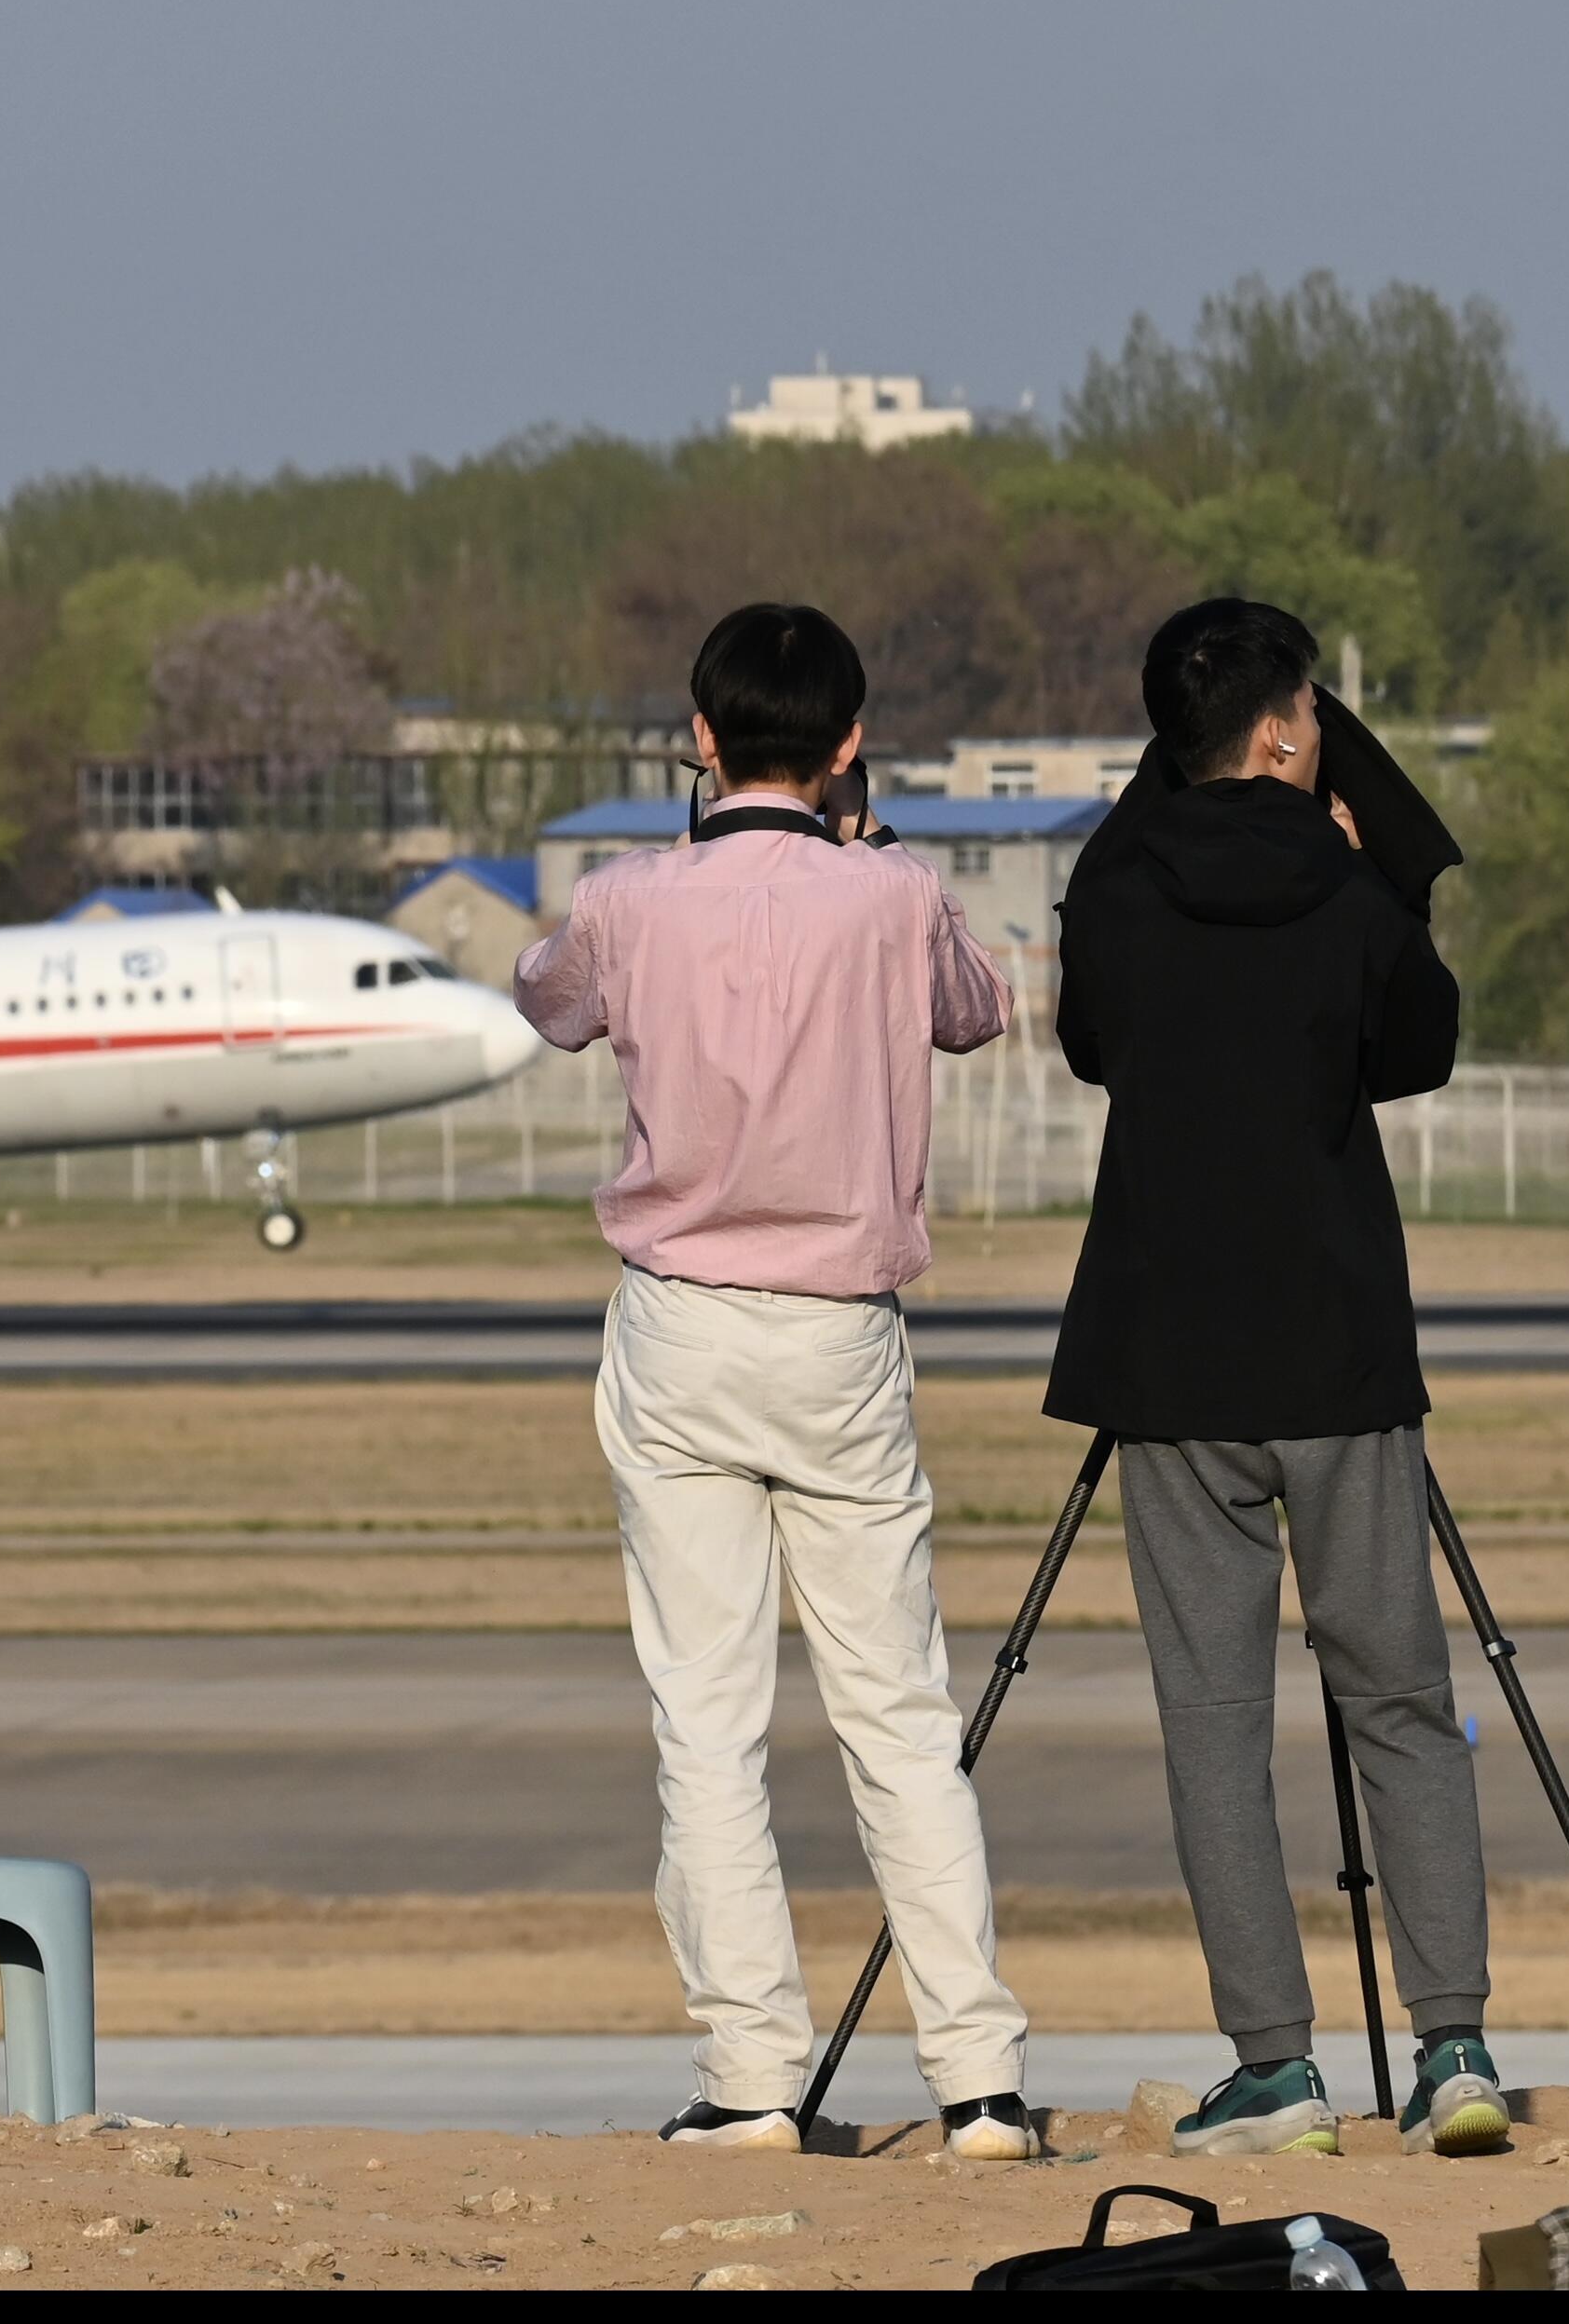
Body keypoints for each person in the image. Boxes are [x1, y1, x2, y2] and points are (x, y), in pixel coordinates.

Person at [512, 601, 1035, 2160]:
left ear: (699, 737)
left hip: (680, 1321)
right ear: (852, 748)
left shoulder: (625, 897)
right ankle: (980, 2082)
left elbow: (548, 1005)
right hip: (840, 1334)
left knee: (707, 1716)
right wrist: (865, 857)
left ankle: (751, 2078)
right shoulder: (895, 892)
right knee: (899, 1713)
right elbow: (979, 1011)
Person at [1047, 596, 1496, 2159]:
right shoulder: (1354, 894)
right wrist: (1376, 875)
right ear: (1290, 731)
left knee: (1213, 1717)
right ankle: (1455, 2054)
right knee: (1403, 1702)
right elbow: (1421, 1049)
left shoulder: (1115, 888)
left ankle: (1278, 2070)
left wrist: (1186, 783)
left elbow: (1088, 1043)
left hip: (1170, 1358)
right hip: (1341, 1351)